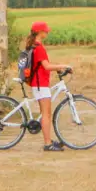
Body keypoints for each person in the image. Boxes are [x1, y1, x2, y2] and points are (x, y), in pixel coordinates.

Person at [26, 21, 72, 152]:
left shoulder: (35, 45)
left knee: (46, 113)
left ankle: (49, 140)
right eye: (45, 30)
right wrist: (63, 66)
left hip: (40, 83)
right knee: (46, 114)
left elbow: (43, 64)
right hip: (40, 84)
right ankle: (47, 144)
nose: (47, 32)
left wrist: (57, 68)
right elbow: (46, 66)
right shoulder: (38, 47)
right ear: (40, 32)